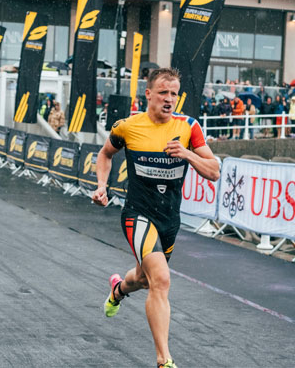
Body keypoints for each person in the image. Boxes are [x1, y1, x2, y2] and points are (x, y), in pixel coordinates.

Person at [92, 68, 219, 368]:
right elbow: (105, 154)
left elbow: (214, 171)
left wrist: (187, 154)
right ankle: (164, 360)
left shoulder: (188, 127)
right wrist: (101, 186)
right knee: (160, 279)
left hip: (169, 220)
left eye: (174, 94)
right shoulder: (128, 126)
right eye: (163, 92)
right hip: (137, 214)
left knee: (143, 280)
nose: (169, 99)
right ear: (148, 94)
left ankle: (118, 290)